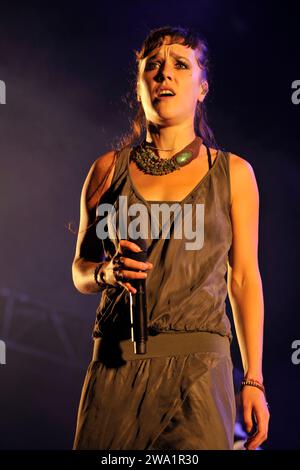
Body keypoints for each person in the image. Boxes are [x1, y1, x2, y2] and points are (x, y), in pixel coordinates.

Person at [71, 26, 270, 450]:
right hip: (116, 362)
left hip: (199, 369)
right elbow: (80, 270)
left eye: (181, 65)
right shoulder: (107, 170)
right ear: (140, 85)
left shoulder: (234, 174)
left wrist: (253, 379)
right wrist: (105, 272)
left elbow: (244, 279)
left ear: (202, 88)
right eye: (153, 67)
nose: (165, 74)